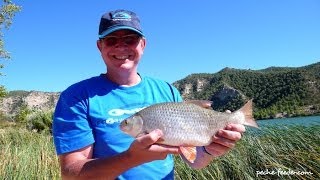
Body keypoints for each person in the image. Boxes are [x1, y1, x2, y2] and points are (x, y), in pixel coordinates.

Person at [52, 9, 246, 180]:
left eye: (130, 39)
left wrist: (212, 151)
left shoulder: (167, 90)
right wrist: (131, 158)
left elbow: (194, 160)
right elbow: (71, 174)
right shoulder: (76, 98)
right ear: (100, 46)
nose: (121, 47)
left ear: (142, 44)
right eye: (111, 40)